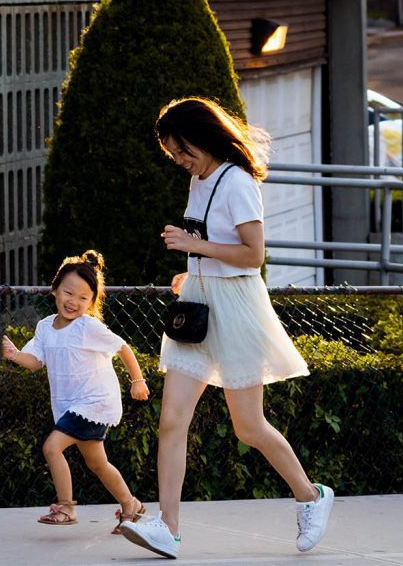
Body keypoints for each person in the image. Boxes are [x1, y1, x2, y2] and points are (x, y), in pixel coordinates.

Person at [119, 98, 334, 559]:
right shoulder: (200, 180)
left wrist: (196, 247)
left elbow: (253, 255)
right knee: (171, 420)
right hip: (198, 301)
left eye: (182, 151)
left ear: (202, 136)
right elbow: (215, 248)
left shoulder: (237, 182)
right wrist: (193, 268)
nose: (180, 161)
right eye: (173, 155)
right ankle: (168, 529)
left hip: (236, 306)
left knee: (249, 426)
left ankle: (311, 497)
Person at [2, 249, 150, 533]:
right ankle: (130, 504)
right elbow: (34, 361)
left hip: (94, 402)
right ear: (55, 290)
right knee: (98, 463)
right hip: (70, 406)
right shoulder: (45, 326)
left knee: (51, 447)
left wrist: (137, 380)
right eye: (69, 293)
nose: (74, 302)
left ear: (92, 302)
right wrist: (13, 354)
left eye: (84, 298)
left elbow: (122, 347)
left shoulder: (87, 326)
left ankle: (67, 508)